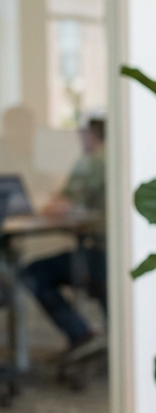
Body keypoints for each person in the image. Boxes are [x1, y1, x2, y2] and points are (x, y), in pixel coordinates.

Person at [21, 117, 107, 356]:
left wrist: (45, 205)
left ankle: (79, 333)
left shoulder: (94, 162)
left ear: (90, 134)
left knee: (33, 273)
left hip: (101, 255)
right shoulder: (124, 157)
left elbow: (61, 207)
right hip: (118, 254)